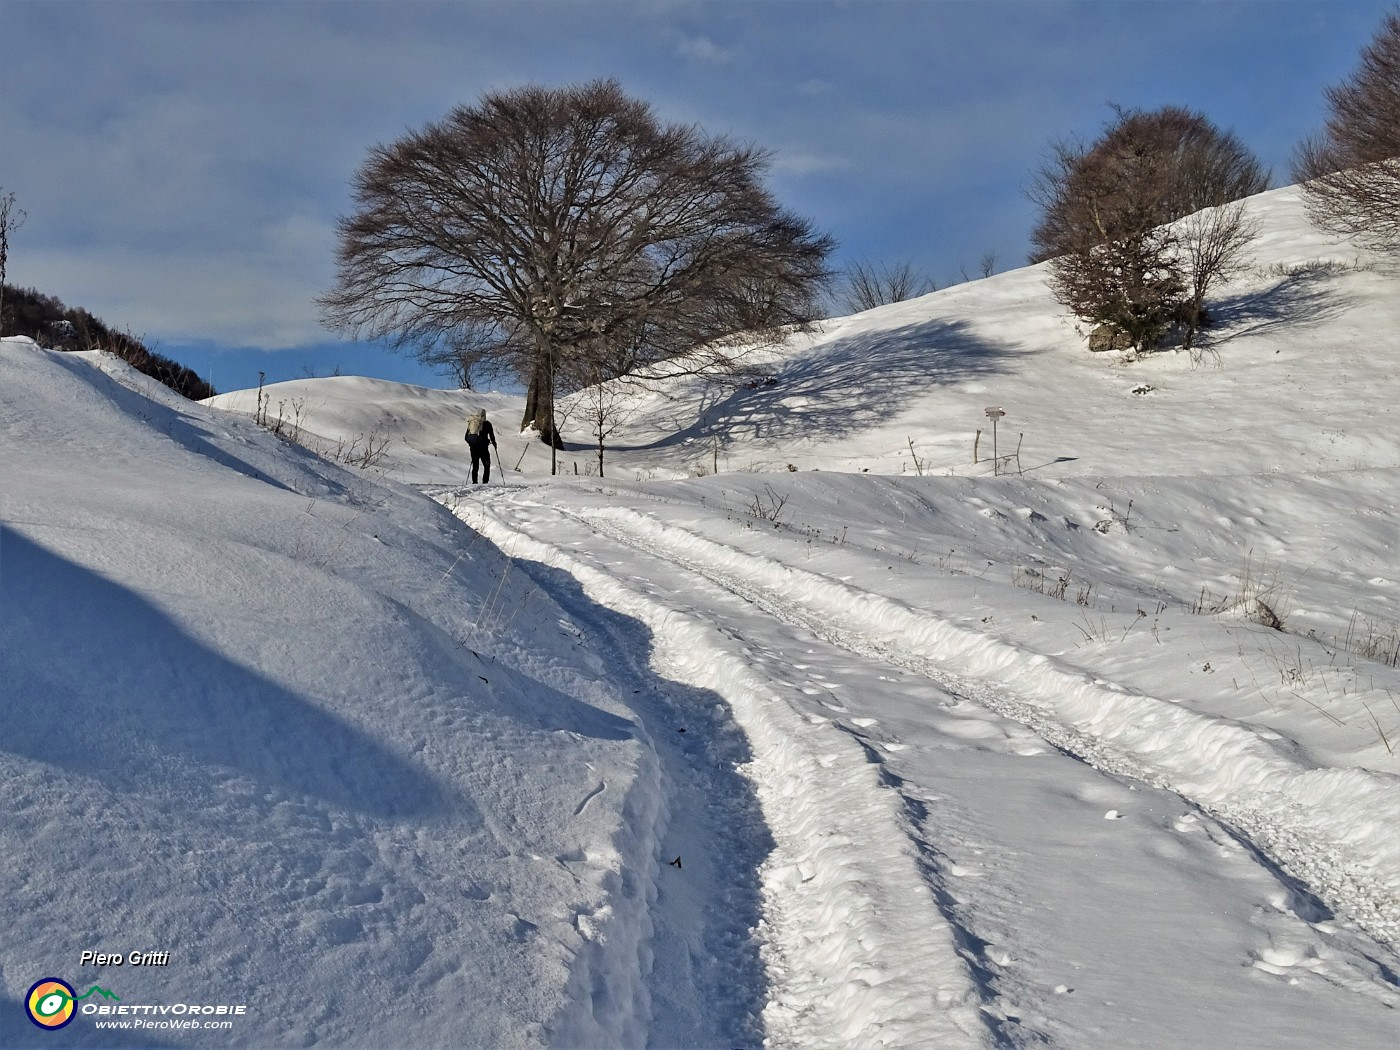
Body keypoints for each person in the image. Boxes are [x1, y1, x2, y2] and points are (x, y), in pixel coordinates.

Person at [464, 409, 498, 484]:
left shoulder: (472, 422)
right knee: (487, 465)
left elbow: (466, 437)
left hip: (473, 448)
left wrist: (472, 444)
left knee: (475, 466)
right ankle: (485, 482)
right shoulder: (487, 424)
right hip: (483, 449)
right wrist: (494, 444)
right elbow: (491, 435)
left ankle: (474, 482)